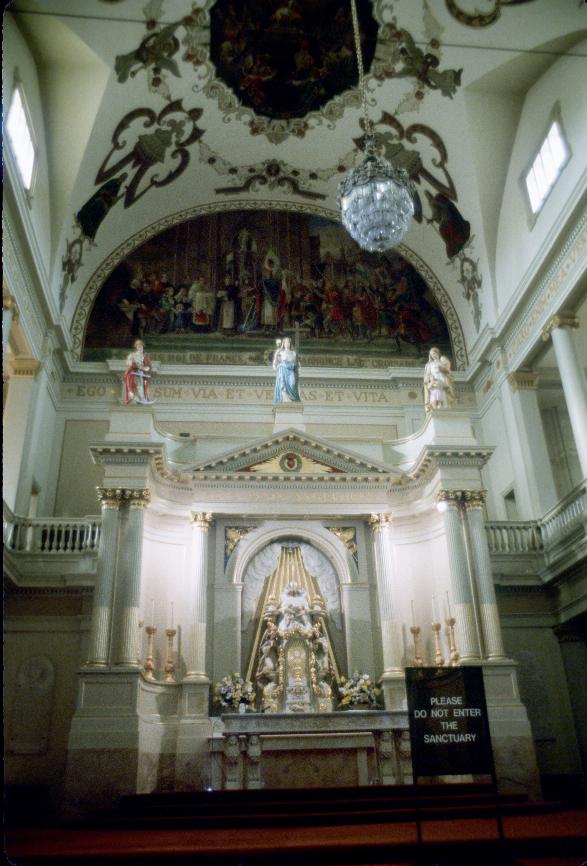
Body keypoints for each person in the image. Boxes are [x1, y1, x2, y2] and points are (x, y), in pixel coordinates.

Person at [122, 339, 154, 405]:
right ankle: (133, 395)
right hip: (134, 373)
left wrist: (147, 368)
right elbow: (130, 363)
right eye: (138, 345)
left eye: (141, 345)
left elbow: (149, 366)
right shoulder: (132, 355)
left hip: (142, 374)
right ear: (136, 347)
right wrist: (139, 367)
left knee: (142, 386)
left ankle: (142, 398)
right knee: (133, 384)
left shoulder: (145, 356)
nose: (140, 346)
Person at [272, 336, 300, 403]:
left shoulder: (294, 353)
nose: (287, 343)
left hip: (291, 371)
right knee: (283, 386)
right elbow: (274, 364)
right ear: (283, 344)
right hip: (283, 371)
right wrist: (276, 367)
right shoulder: (280, 353)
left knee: (292, 384)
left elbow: (297, 364)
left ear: (290, 344)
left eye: (289, 342)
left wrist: (298, 370)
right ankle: (286, 398)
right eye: (286, 342)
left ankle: (292, 398)